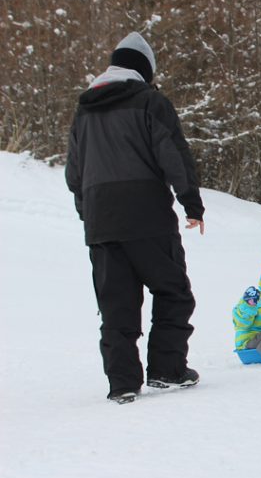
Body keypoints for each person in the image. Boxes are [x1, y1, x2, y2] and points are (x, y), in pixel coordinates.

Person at [65, 31, 204, 404]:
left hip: (101, 223)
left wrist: (88, 214)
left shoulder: (84, 110)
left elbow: (74, 174)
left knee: (116, 304)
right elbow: (173, 154)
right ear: (144, 70)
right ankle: (167, 370)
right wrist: (191, 203)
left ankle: (123, 383)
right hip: (147, 217)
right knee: (173, 292)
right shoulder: (149, 102)